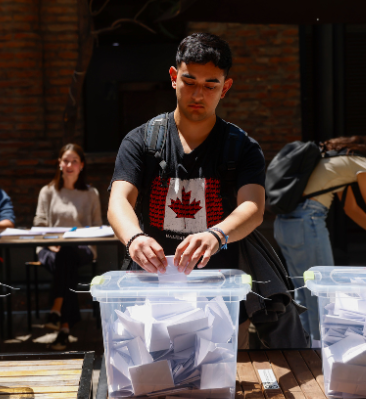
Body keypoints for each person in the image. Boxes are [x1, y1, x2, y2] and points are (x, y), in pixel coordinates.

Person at [107, 33, 266, 348]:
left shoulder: (242, 147)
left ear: (226, 87)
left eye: (211, 86)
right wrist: (134, 238)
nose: (198, 95)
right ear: (172, 77)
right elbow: (118, 201)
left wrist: (216, 235)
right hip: (152, 302)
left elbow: (253, 209)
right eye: (190, 82)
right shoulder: (140, 141)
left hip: (222, 303)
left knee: (225, 391)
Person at [273, 132, 366, 340]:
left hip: (286, 226)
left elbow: (351, 209)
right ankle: (324, 355)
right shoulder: (362, 164)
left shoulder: (341, 160)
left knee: (304, 293)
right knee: (323, 294)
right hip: (307, 222)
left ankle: (308, 350)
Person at [35, 144, 102, 350]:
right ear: (59, 163)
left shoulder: (91, 193)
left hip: (81, 247)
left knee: (67, 253)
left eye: (74, 161)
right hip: (49, 248)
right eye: (66, 160)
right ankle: (64, 328)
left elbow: (97, 227)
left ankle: (56, 309)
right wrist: (51, 242)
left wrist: (71, 241)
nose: (69, 164)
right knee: (67, 263)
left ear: (81, 165)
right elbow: (39, 224)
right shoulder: (48, 191)